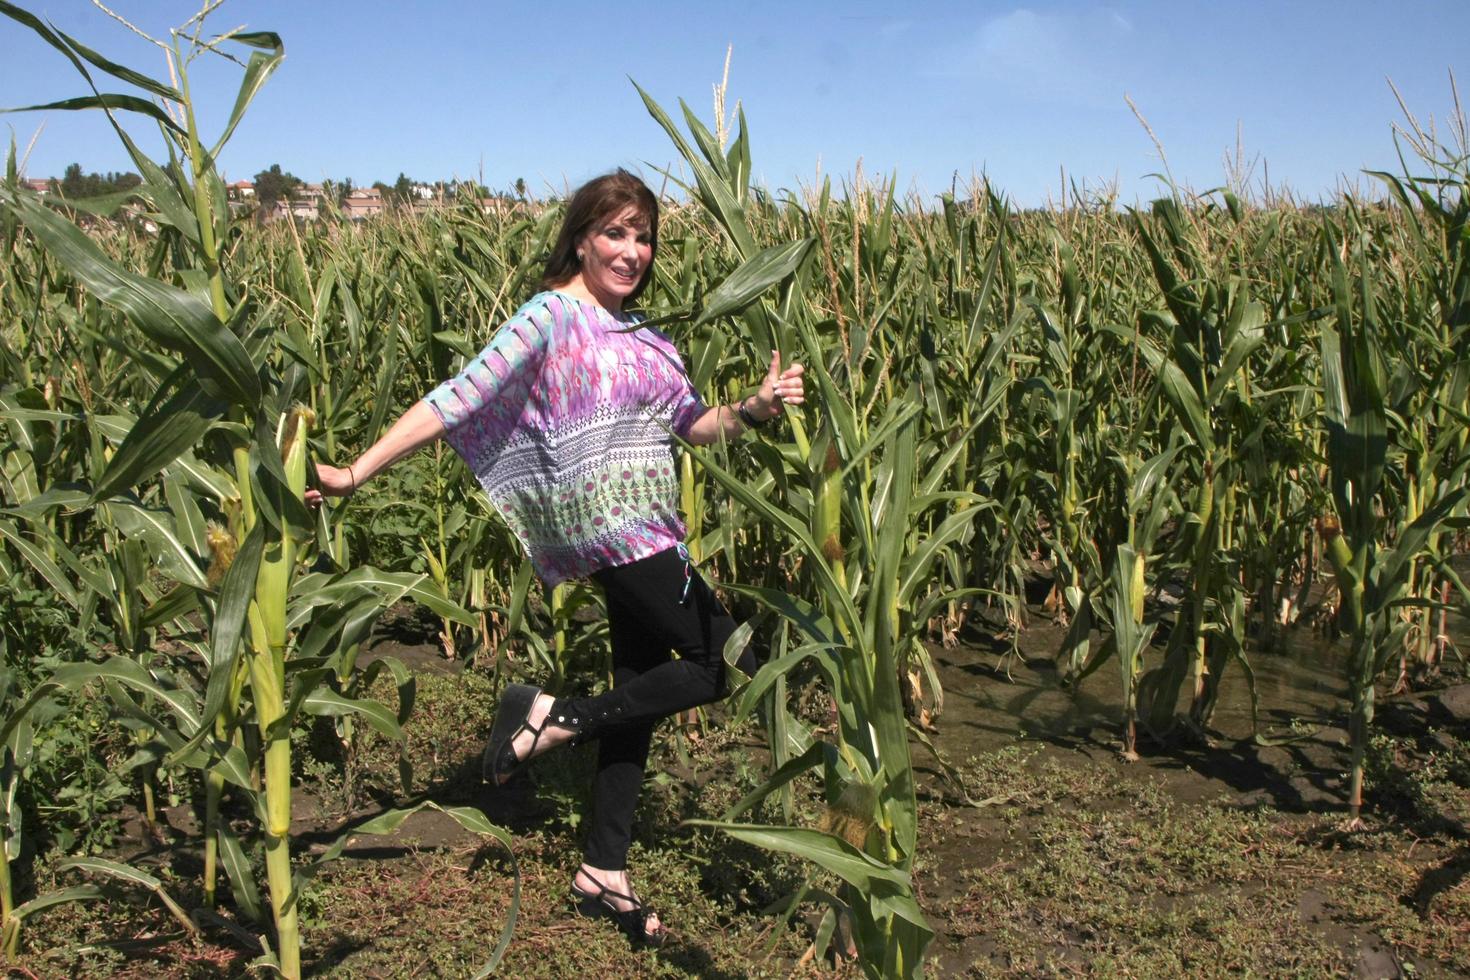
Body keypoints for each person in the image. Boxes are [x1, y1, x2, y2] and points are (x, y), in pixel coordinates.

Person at [308, 169, 805, 948]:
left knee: (642, 689)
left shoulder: (646, 335)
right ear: (581, 237)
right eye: (616, 232)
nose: (631, 250)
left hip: (654, 526)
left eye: (643, 237)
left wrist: (754, 406)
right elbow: (458, 396)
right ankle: (550, 720)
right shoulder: (550, 315)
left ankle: (602, 871)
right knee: (716, 661)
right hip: (613, 527)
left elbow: (692, 424)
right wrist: (353, 472)